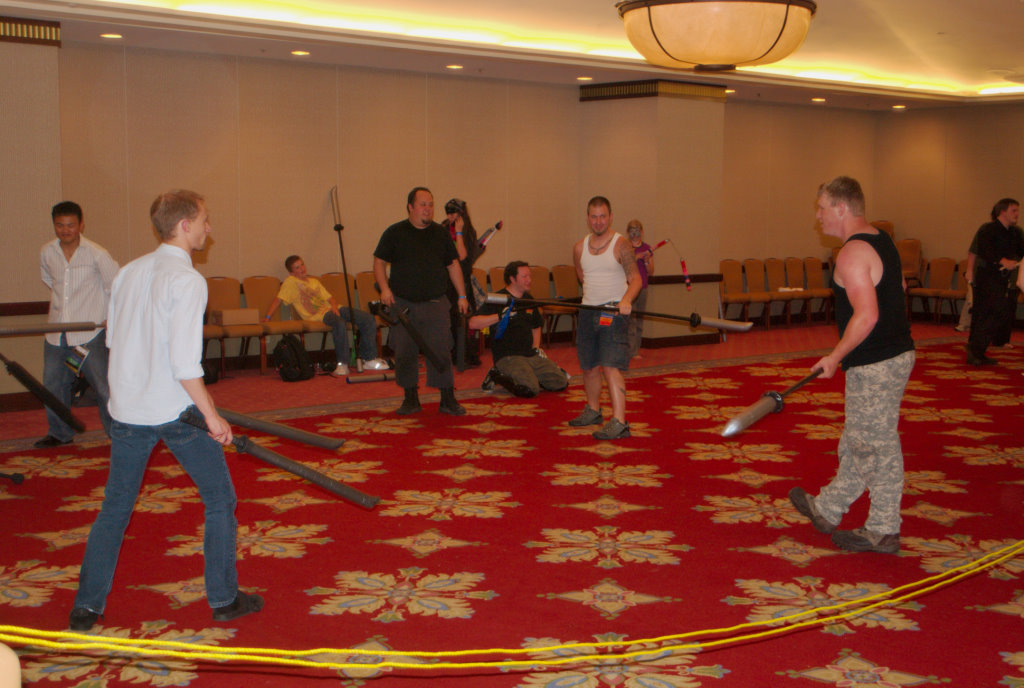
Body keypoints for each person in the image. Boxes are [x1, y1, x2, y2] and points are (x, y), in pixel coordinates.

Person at [69, 190, 263, 632]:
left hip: (127, 410)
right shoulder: (188, 280)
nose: (209, 228)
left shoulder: (128, 272)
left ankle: (86, 607)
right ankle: (225, 599)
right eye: (204, 220)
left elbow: (113, 341)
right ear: (185, 225)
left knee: (115, 508)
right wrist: (212, 416)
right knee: (220, 500)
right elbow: (185, 363)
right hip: (176, 413)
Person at [788, 176, 915, 554]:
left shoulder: (851, 254)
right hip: (894, 354)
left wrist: (834, 357)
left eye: (822, 207)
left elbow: (867, 315)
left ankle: (883, 529)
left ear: (841, 208)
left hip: (875, 362)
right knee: (860, 439)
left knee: (877, 445)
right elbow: (899, 289)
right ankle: (828, 507)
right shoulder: (881, 239)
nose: (818, 215)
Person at [373, 187, 469, 416]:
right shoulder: (395, 232)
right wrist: (385, 289)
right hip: (403, 304)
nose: (428, 209)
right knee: (405, 352)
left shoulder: (440, 233)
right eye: (423, 204)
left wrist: (462, 295)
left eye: (430, 204)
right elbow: (379, 262)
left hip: (436, 303)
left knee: (441, 350)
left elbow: (453, 265)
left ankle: (447, 398)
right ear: (410, 207)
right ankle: (410, 399)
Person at [36, 201, 119, 448]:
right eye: (60, 225)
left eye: (70, 225)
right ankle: (59, 433)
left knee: (103, 388)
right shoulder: (47, 252)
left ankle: (118, 435)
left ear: (81, 225)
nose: (65, 230)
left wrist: (110, 317)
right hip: (56, 333)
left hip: (89, 334)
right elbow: (50, 281)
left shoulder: (97, 253)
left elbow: (116, 287)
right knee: (53, 385)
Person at [569, 196, 642, 440]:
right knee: (589, 365)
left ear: (610, 217)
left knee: (610, 365)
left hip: (612, 312)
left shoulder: (621, 244)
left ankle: (619, 422)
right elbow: (582, 275)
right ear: (587, 218)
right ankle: (593, 410)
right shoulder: (579, 247)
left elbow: (636, 279)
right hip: (587, 311)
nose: (598, 221)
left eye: (603, 216)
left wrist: (626, 300)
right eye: (594, 216)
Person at [264, 255, 388, 376]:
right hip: (319, 315)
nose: (302, 268)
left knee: (368, 319)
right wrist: (267, 317)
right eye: (297, 267)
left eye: (302, 265)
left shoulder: (314, 281)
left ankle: (369, 359)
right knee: (339, 322)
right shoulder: (290, 282)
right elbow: (278, 300)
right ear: (291, 273)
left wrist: (334, 306)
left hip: (335, 309)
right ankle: (342, 364)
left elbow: (330, 298)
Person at [469, 261, 569, 397]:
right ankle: (496, 375)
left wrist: (535, 348)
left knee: (560, 382)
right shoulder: (498, 299)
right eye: (524, 276)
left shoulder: (529, 299)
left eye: (529, 276)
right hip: (508, 357)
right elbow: (473, 323)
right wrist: (500, 316)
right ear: (512, 279)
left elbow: (536, 326)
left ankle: (530, 375)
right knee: (530, 389)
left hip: (530, 355)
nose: (529, 280)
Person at [966, 198, 1022, 364]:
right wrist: (1002, 260)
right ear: (1002, 211)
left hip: (1002, 279)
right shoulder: (988, 229)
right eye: (1014, 210)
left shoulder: (1015, 233)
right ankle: (975, 350)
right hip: (986, 276)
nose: (1017, 214)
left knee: (996, 312)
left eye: (1018, 211)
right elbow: (984, 250)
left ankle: (978, 351)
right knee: (989, 311)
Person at [443, 198, 481, 367]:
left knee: (463, 320)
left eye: (454, 213)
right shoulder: (443, 228)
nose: (451, 217)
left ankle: (465, 355)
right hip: (446, 280)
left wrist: (458, 233)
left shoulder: (469, 232)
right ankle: (450, 353)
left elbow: (462, 256)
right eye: (448, 213)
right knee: (449, 319)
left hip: (462, 280)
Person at [626, 219, 654, 358]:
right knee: (630, 320)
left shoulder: (647, 248)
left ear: (642, 232)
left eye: (637, 230)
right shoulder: (625, 247)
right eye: (632, 230)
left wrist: (647, 260)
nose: (634, 233)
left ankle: (636, 349)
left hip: (643, 287)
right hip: (629, 288)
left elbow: (651, 271)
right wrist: (635, 257)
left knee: (639, 320)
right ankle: (630, 351)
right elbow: (622, 267)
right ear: (628, 232)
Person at [954, 250, 976, 332]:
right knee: (970, 287)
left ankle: (963, 324)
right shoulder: (975, 262)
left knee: (969, 296)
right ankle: (971, 304)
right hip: (975, 282)